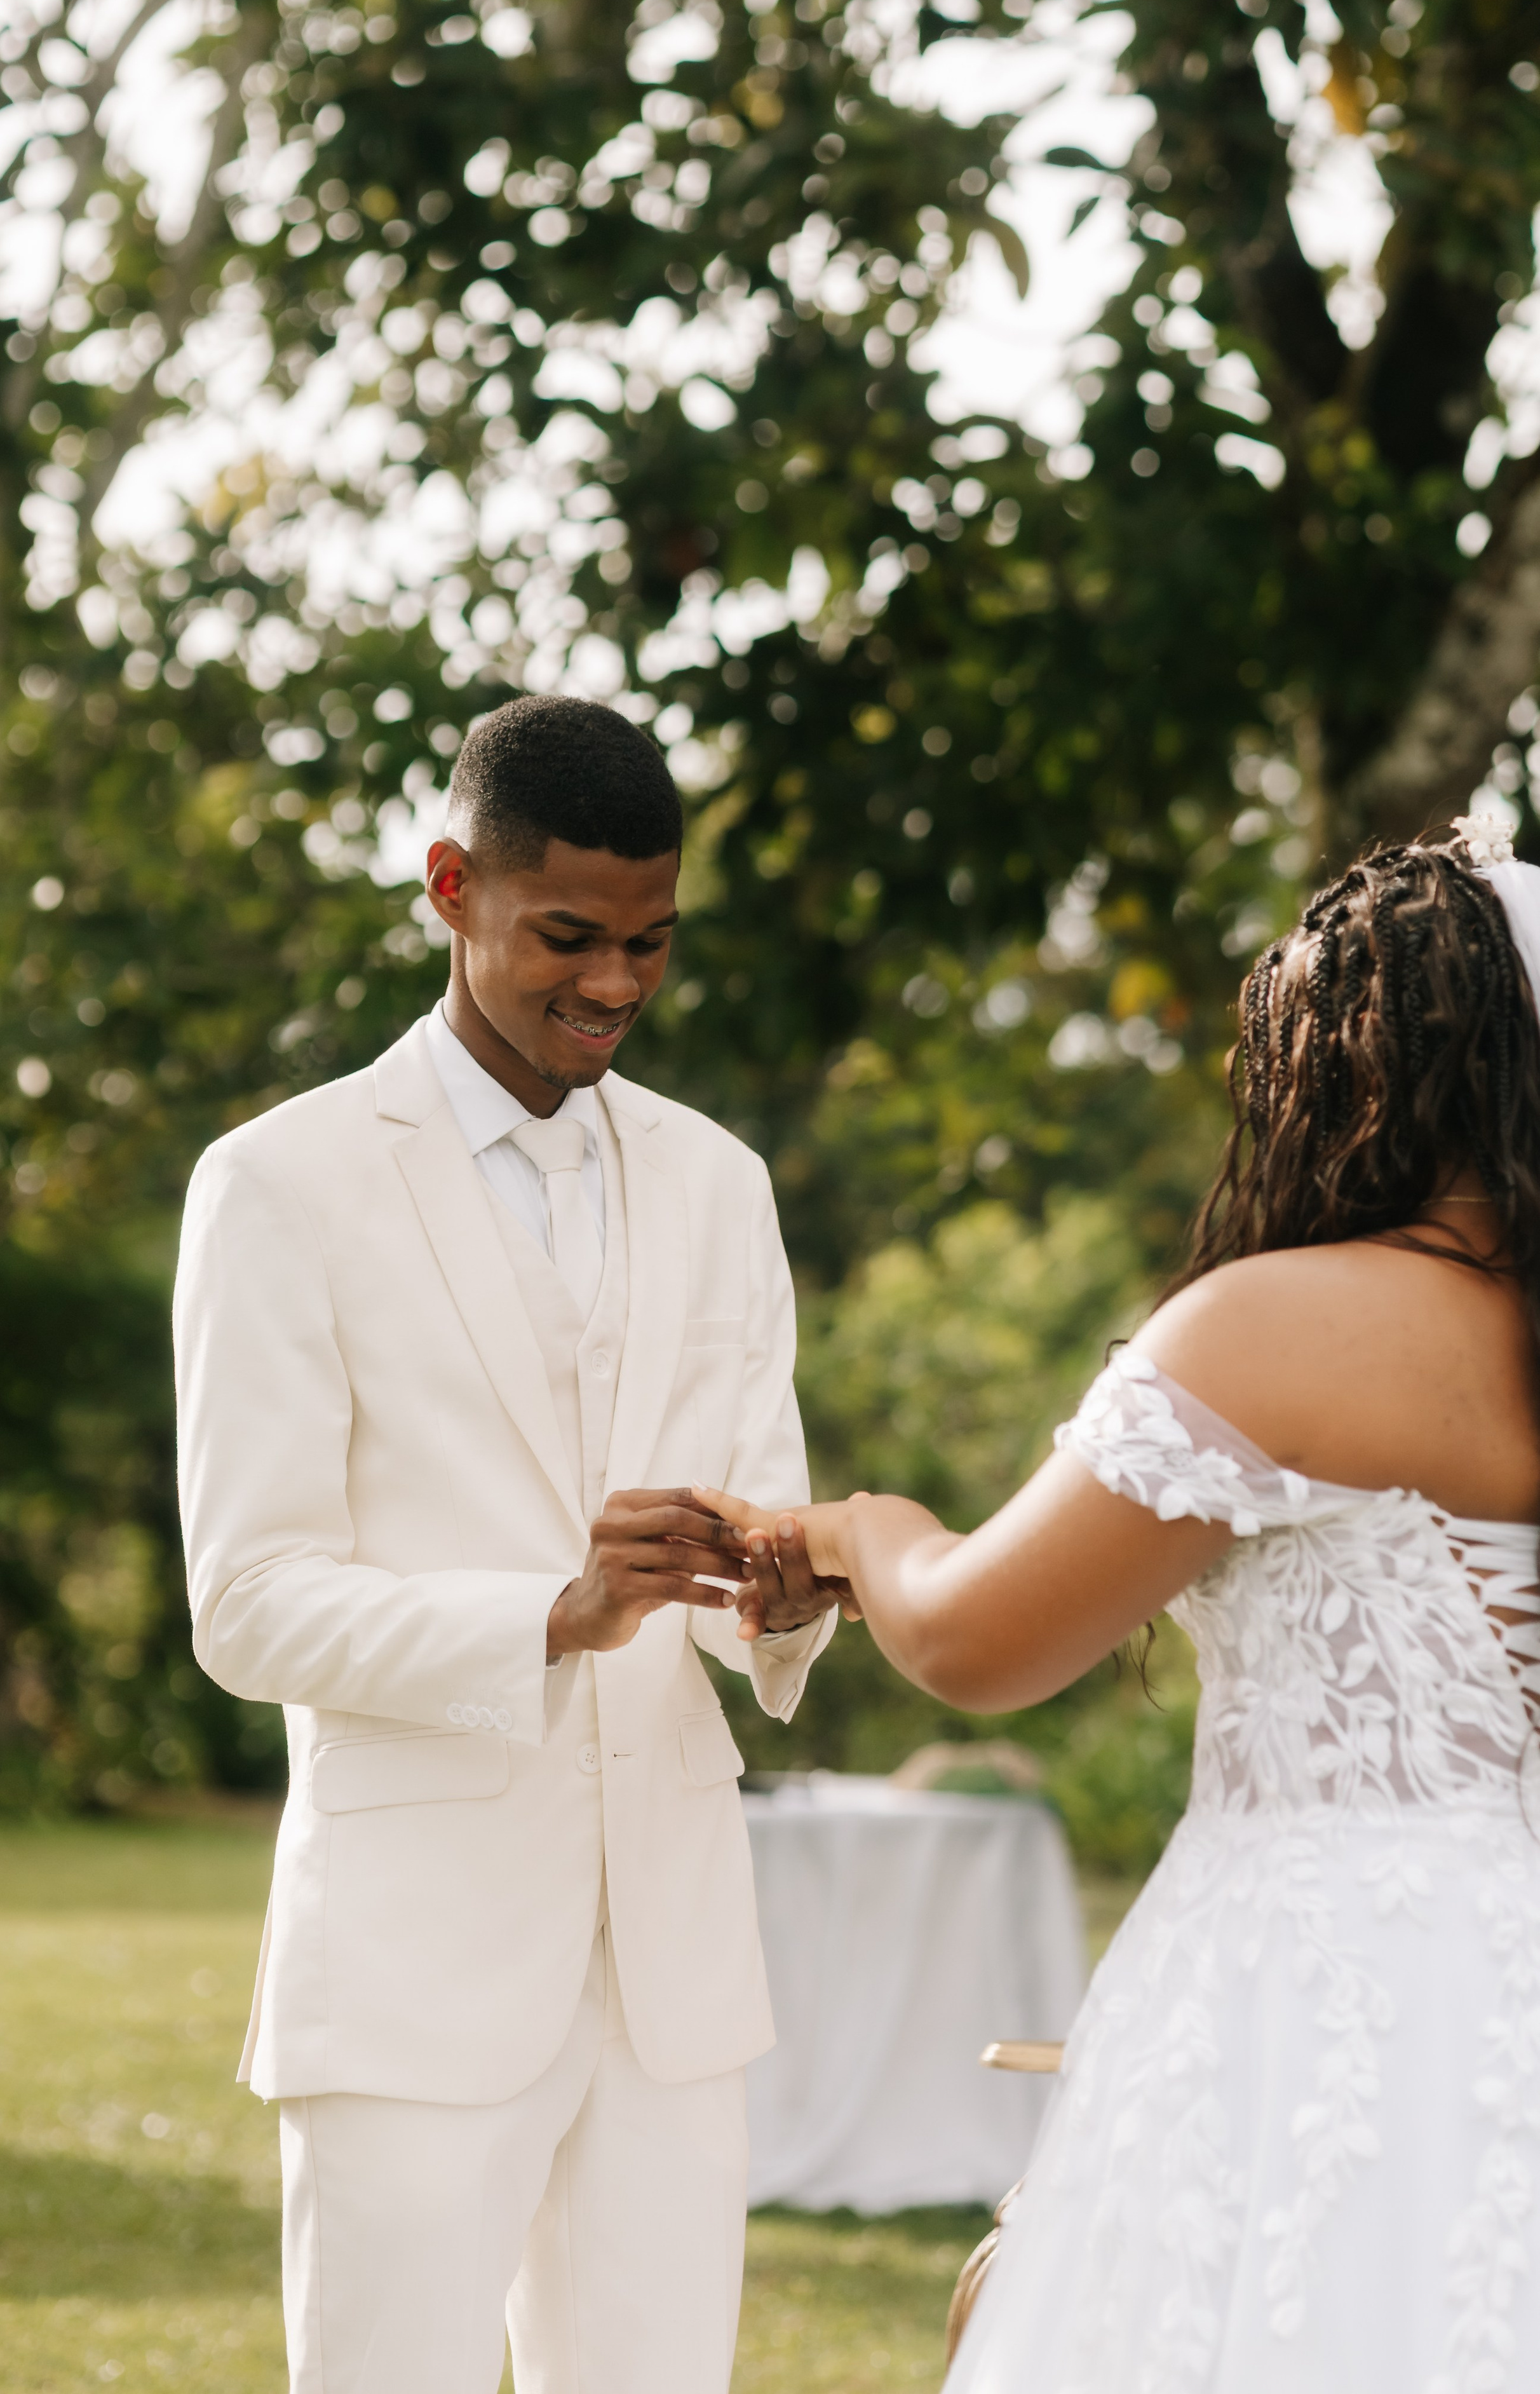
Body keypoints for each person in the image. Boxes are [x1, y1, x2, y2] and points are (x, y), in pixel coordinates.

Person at [704, 825, 1540, 2392]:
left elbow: (972, 1636)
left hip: (1307, 1992)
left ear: (1352, 1062)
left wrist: (859, 1531)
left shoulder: (1280, 1327)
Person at [173, 693, 841, 2394]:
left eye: (651, 945)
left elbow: (759, 1518)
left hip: (674, 1974)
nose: (614, 984)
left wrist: (780, 1598)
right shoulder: (281, 1185)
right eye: (568, 938)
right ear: (450, 885)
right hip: (414, 1965)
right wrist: (552, 1612)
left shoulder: (720, 1184)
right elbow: (247, 1604)